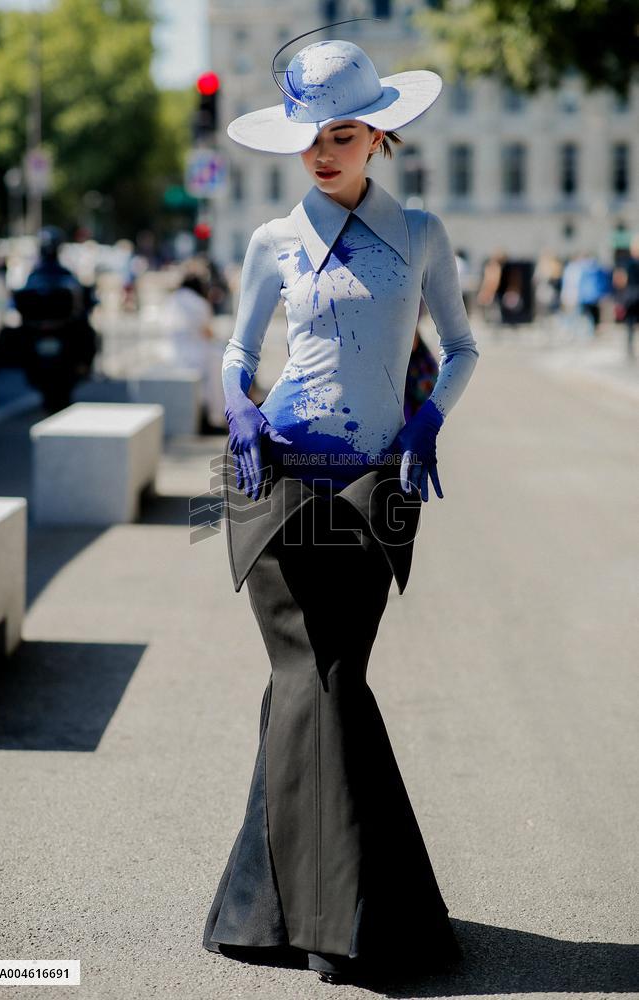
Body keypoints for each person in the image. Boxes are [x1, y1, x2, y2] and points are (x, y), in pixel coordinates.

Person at [202, 24, 480, 986]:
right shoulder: (272, 239)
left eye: (342, 136)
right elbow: (239, 352)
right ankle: (344, 918)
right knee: (307, 679)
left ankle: (267, 904)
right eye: (310, 139)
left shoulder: (422, 236)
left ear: (379, 138)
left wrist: (429, 419)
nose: (323, 155)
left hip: (376, 482)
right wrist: (238, 405)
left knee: (323, 682)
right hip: (274, 476)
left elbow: (462, 348)